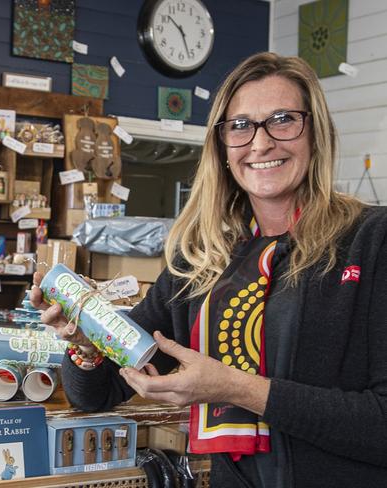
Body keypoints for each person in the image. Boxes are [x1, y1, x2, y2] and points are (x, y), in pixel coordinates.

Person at [31, 52, 387, 487]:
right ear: (221, 145)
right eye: (240, 126)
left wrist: (235, 387)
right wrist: (87, 340)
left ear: (316, 132)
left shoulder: (372, 240)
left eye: (283, 119)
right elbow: (98, 392)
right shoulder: (203, 259)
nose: (260, 143)